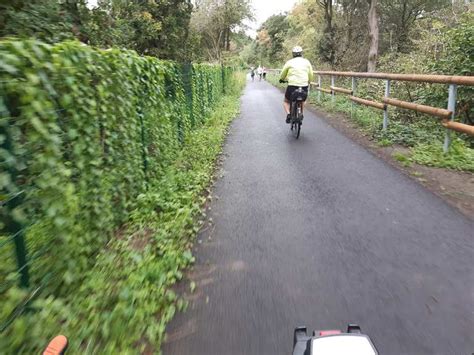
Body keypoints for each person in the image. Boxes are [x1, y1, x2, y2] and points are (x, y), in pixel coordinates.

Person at [279, 46, 313, 123]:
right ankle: (300, 113)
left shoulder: (289, 62)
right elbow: (311, 73)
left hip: (292, 86)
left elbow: (283, 73)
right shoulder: (307, 62)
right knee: (303, 100)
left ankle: (288, 114)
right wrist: (309, 81)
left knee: (286, 101)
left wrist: (282, 79)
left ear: (293, 54)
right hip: (304, 85)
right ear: (301, 53)